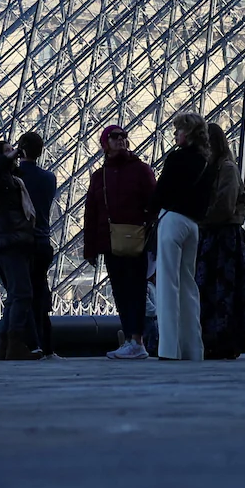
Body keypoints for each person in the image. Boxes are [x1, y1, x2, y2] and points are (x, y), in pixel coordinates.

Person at [83, 124, 156, 359]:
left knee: (136, 292)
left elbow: (154, 204)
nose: (121, 140)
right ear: (105, 143)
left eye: (124, 136)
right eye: (115, 137)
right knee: (120, 292)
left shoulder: (141, 170)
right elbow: (91, 214)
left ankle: (137, 340)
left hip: (137, 241)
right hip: (110, 242)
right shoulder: (99, 176)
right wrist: (90, 250)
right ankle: (130, 339)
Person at [151, 111, 214, 360]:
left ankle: (169, 349)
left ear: (186, 133)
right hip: (193, 226)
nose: (175, 134)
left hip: (173, 221)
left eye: (177, 130)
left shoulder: (176, 158)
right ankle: (193, 348)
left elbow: (161, 191)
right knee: (188, 287)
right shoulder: (206, 161)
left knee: (167, 287)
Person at [0, 140, 45, 360]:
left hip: (16, 241)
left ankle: (6, 344)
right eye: (8, 151)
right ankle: (13, 343)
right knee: (22, 293)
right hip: (9, 241)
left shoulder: (13, 179)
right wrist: (7, 157)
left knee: (16, 295)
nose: (14, 154)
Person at [196, 123, 245, 360]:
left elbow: (224, 206)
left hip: (225, 238)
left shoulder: (227, 168)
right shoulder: (215, 168)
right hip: (214, 236)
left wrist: (200, 217)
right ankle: (215, 340)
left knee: (224, 292)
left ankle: (225, 341)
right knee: (212, 291)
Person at [16, 132, 58, 354]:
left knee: (22, 295)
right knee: (40, 292)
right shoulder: (49, 178)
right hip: (44, 241)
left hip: (21, 242)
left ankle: (30, 345)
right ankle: (47, 344)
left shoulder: (13, 177)